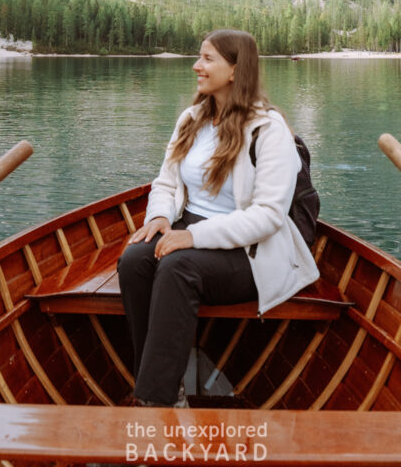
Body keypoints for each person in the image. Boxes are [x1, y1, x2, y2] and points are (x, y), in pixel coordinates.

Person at [117, 28, 320, 407]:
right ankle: (162, 381)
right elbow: (165, 182)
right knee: (133, 262)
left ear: (235, 70)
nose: (197, 66)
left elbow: (267, 217)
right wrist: (161, 217)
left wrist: (192, 237)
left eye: (208, 59)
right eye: (199, 57)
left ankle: (155, 402)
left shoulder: (268, 129)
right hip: (191, 232)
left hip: (250, 250)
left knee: (177, 268)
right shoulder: (191, 119)